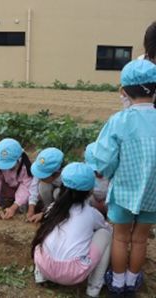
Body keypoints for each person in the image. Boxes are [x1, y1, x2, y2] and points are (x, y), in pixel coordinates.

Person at [93, 59, 156, 297]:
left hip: (123, 190)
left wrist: (110, 174)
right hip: (153, 192)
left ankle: (117, 283)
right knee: (140, 239)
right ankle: (132, 280)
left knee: (120, 237)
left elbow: (104, 160)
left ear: (123, 92)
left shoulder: (119, 121)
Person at [31, 162, 112, 298]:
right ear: (90, 191)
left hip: (45, 265)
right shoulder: (91, 213)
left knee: (46, 231)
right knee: (105, 234)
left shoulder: (53, 208)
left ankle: (40, 275)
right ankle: (94, 287)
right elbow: (106, 228)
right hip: (73, 273)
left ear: (62, 186)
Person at [0, 138, 39, 220]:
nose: (7, 168)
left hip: (21, 193)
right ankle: (3, 202)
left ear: (19, 159)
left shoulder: (25, 168)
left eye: (10, 166)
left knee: (23, 205)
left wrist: (14, 207)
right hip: (6, 191)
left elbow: (25, 187)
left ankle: (17, 205)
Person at [28, 147, 64, 223]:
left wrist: (44, 214)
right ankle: (47, 207)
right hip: (51, 201)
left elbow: (64, 197)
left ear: (55, 174)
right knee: (42, 186)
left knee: (57, 193)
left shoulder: (65, 177)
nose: (40, 178)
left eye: (43, 177)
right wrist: (31, 208)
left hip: (63, 198)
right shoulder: (42, 169)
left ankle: (56, 213)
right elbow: (33, 188)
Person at [84, 142, 108, 216]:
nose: (98, 172)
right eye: (95, 170)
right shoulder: (85, 174)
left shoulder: (114, 173)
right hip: (92, 206)